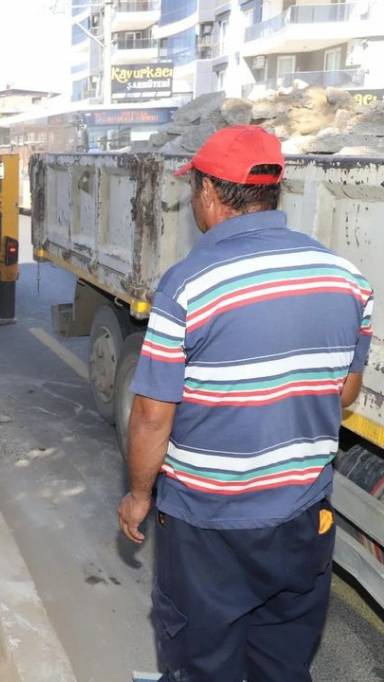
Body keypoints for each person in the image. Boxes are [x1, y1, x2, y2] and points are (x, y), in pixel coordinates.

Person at [117, 125, 374, 681]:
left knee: (203, 664)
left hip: (209, 526)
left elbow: (152, 414)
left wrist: (139, 494)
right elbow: (344, 391)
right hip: (304, 517)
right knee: (282, 663)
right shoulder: (347, 279)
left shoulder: (188, 285)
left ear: (209, 193)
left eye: (194, 191)